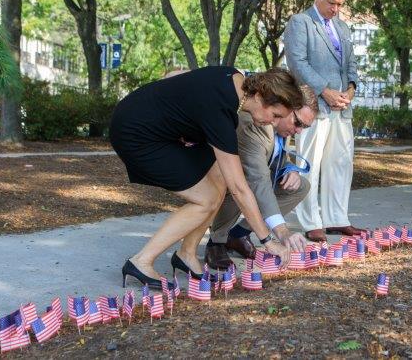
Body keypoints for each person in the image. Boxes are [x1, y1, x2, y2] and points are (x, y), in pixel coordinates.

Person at [109, 66, 303, 289]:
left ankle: (187, 254)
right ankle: (141, 261)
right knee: (206, 199)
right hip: (135, 134)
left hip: (155, 127)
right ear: (259, 96)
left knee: (220, 175)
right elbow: (239, 189)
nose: (274, 122)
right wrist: (268, 241)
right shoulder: (221, 107)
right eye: (275, 114)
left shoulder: (236, 82)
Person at [283, 0, 365, 242]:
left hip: (342, 108)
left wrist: (351, 89)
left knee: (340, 164)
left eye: (341, 4)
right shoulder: (300, 23)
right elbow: (298, 63)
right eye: (332, 3)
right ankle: (310, 221)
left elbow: (351, 65)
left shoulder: (342, 28)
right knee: (311, 163)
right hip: (313, 107)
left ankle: (337, 218)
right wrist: (324, 92)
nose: (336, 9)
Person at [205, 86, 319, 268]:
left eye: (304, 126)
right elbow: (258, 179)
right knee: (243, 185)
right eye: (298, 123)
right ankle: (217, 241)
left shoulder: (282, 128)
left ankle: (238, 235)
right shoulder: (255, 125)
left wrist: (291, 169)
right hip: (210, 177)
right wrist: (281, 232)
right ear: (286, 108)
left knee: (301, 185)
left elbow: (277, 158)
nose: (299, 131)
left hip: (249, 177)